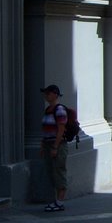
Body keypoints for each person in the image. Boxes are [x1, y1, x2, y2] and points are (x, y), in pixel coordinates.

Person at [40, 84, 70, 212]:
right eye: (45, 93)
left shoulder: (59, 110)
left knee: (58, 171)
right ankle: (56, 200)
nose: (46, 95)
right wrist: (43, 146)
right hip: (48, 144)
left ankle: (59, 201)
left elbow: (61, 129)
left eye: (48, 93)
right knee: (51, 172)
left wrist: (55, 147)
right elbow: (45, 130)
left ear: (55, 95)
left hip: (57, 145)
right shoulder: (48, 110)